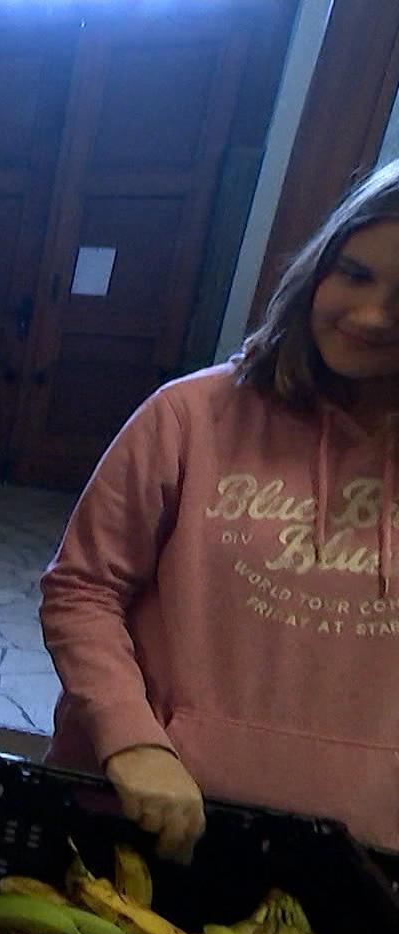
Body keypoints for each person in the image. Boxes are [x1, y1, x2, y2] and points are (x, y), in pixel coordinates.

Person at [42, 159, 399, 859]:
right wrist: (132, 738)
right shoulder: (189, 416)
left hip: (359, 851)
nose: (369, 316)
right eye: (354, 274)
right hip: (148, 814)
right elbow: (81, 589)